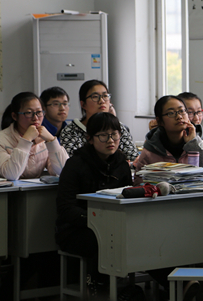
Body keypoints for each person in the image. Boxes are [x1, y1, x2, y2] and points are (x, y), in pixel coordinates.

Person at [55, 112, 133, 291]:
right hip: (76, 230)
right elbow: (65, 208)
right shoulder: (76, 164)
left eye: (115, 134)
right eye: (103, 135)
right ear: (90, 139)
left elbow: (127, 198)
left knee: (140, 237)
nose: (110, 140)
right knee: (107, 240)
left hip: (113, 226)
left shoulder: (121, 164)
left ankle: (125, 288)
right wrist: (95, 221)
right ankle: (101, 287)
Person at [133, 95, 203, 182]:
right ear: (159, 121)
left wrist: (194, 143)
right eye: (171, 113)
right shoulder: (152, 148)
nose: (179, 116)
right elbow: (139, 182)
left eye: (182, 111)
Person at [0, 92, 68, 180]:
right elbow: (11, 175)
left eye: (39, 112)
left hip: (34, 192)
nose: (35, 118)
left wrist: (51, 140)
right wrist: (26, 140)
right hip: (5, 192)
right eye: (28, 113)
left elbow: (63, 171)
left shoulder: (44, 139)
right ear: (15, 116)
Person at [60, 80, 139, 161]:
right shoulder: (71, 131)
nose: (102, 101)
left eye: (105, 96)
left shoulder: (118, 127)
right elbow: (72, 162)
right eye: (95, 97)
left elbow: (134, 158)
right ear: (83, 104)